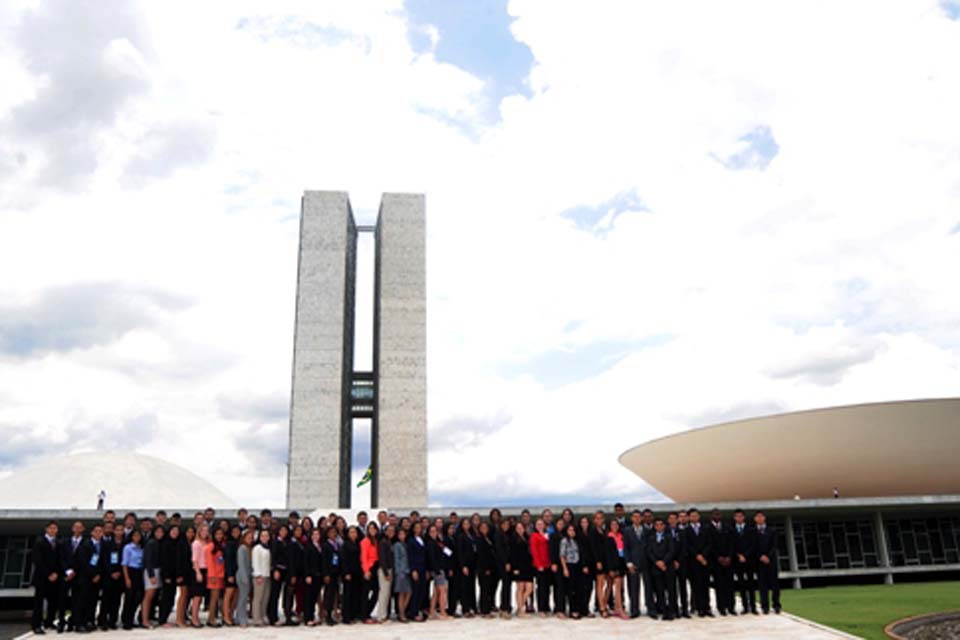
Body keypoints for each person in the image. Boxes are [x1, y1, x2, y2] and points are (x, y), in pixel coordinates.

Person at [31, 521, 60, 634]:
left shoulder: (57, 542)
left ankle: (49, 621)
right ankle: (36, 624)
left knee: (53, 601)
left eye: (55, 528)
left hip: (54, 577)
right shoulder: (39, 541)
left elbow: (59, 560)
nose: (53, 530)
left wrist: (56, 573)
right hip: (42, 577)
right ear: (46, 529)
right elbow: (37, 560)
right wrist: (49, 574)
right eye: (51, 528)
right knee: (39, 602)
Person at [646, 518, 676, 620]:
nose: (659, 526)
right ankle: (663, 610)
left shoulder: (669, 537)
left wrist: (664, 562)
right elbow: (649, 552)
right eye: (657, 525)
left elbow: (671, 551)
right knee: (660, 591)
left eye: (661, 524)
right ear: (655, 527)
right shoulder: (651, 538)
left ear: (664, 526)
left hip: (668, 567)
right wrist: (657, 562)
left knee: (671, 590)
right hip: (656, 568)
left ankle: (671, 611)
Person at [708, 509, 735, 615]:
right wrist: (718, 557)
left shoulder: (728, 527)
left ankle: (731, 607)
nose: (717, 516)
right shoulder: (708, 528)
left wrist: (729, 556)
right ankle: (722, 607)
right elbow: (710, 545)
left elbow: (732, 543)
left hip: (728, 561)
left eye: (719, 514)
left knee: (729, 585)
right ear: (711, 516)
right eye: (715, 514)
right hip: (716, 562)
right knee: (719, 586)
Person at [685, 508, 712, 617]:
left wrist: (703, 556)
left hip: (705, 561)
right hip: (693, 561)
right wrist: (697, 555)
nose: (694, 517)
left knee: (706, 586)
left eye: (696, 515)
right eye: (692, 516)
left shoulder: (706, 528)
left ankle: (707, 608)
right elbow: (687, 545)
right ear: (689, 517)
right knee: (696, 586)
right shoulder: (686, 530)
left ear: (699, 516)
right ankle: (700, 608)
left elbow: (709, 543)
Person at [754, 511, 781, 614]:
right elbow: (753, 546)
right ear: (755, 519)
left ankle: (776, 605)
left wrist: (768, 556)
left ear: (764, 518)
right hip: (759, 562)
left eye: (761, 516)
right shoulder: (753, 531)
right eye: (758, 517)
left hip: (771, 561)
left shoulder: (772, 530)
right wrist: (760, 556)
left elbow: (775, 545)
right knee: (762, 585)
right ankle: (765, 606)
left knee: (775, 585)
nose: (760, 518)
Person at [99, 525, 124, 630]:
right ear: (114, 531)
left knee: (116, 600)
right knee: (106, 599)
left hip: (120, 575)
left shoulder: (125, 544)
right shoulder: (107, 544)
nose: (119, 532)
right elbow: (104, 560)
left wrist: (119, 572)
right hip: (108, 576)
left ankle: (112, 621)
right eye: (117, 530)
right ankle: (103, 620)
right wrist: (111, 572)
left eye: (121, 530)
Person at [732, 509, 757, 615]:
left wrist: (745, 555)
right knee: (741, 585)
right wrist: (739, 555)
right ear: (734, 518)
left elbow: (753, 544)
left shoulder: (751, 529)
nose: (739, 518)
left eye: (740, 516)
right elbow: (731, 545)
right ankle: (745, 607)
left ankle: (753, 606)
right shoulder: (731, 530)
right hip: (737, 560)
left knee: (751, 584)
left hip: (749, 560)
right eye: (737, 516)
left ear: (744, 517)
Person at [667, 512, 691, 619]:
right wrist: (672, 560)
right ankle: (674, 610)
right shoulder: (665, 532)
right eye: (670, 518)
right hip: (669, 564)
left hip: (682, 563)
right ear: (668, 520)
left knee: (683, 587)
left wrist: (678, 561)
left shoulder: (682, 532)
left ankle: (685, 609)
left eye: (674, 518)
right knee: (671, 588)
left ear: (677, 520)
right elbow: (665, 548)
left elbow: (684, 548)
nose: (672, 520)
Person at [624, 509, 646, 619]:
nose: (637, 518)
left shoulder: (647, 530)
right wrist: (629, 563)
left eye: (639, 516)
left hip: (646, 563)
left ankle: (651, 609)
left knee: (648, 587)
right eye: (635, 516)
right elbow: (626, 548)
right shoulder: (627, 530)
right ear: (632, 518)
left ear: (641, 518)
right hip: (633, 563)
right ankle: (634, 610)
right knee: (633, 588)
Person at [141, 525, 165, 628]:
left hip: (158, 570)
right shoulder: (151, 543)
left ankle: (148, 618)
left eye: (161, 532)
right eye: (157, 532)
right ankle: (145, 621)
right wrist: (151, 575)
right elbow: (147, 560)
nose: (159, 534)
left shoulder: (159, 543)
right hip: (151, 571)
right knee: (148, 596)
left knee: (153, 596)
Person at [120, 529, 144, 630]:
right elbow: (124, 564)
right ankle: (126, 620)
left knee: (138, 597)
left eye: (138, 536)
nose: (137, 537)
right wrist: (127, 578)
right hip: (130, 572)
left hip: (139, 572)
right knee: (129, 597)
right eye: (135, 536)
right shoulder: (127, 548)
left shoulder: (141, 548)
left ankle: (131, 617)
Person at [604, 519, 628, 619]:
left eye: (616, 524)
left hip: (621, 562)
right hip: (612, 563)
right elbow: (607, 554)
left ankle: (616, 607)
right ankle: (608, 606)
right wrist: (610, 568)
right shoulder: (608, 537)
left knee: (618, 585)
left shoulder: (621, 536)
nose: (614, 526)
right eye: (612, 524)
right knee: (610, 586)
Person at [558, 523, 582, 620]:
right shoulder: (564, 541)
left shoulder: (576, 541)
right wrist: (565, 568)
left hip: (577, 565)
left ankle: (576, 608)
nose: (571, 532)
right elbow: (562, 555)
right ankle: (571, 610)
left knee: (577, 589)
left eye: (573, 530)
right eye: (569, 530)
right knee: (570, 589)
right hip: (569, 565)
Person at [510, 522, 533, 618]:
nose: (520, 529)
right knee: (520, 588)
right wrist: (514, 567)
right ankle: (520, 610)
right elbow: (512, 554)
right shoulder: (513, 539)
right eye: (518, 527)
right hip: (518, 567)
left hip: (528, 566)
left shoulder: (527, 538)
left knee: (529, 588)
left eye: (521, 527)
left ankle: (519, 607)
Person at [189, 523, 211, 628]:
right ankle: (194, 619)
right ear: (199, 531)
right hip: (199, 570)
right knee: (196, 597)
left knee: (201, 596)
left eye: (206, 531)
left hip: (207, 569)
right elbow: (194, 559)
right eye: (203, 530)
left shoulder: (207, 542)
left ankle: (197, 617)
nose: (204, 532)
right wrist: (198, 572)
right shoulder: (196, 543)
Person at [266, 525, 288, 626]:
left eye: (285, 530)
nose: (284, 532)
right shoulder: (275, 542)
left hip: (284, 570)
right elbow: (273, 556)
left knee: (278, 594)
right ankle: (272, 617)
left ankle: (274, 615)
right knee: (274, 594)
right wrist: (275, 569)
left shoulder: (285, 542)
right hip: (277, 570)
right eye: (282, 530)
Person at [406, 521, 428, 622]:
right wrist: (413, 570)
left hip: (423, 568)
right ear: (413, 529)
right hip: (416, 568)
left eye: (420, 527)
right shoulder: (411, 541)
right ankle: (412, 613)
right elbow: (410, 556)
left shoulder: (422, 539)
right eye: (416, 527)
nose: (418, 529)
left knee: (422, 591)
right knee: (415, 591)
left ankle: (417, 610)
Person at [425, 525, 448, 620]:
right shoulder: (430, 543)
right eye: (431, 531)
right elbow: (432, 558)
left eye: (435, 531)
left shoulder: (437, 542)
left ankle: (431, 611)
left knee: (436, 592)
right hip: (437, 570)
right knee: (443, 591)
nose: (434, 533)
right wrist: (437, 570)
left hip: (439, 569)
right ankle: (443, 612)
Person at [341, 526, 362, 624]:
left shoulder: (358, 544)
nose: (353, 534)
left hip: (357, 573)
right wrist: (346, 573)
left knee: (355, 594)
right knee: (347, 595)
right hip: (349, 573)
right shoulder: (345, 545)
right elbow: (344, 560)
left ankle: (353, 615)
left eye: (354, 532)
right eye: (351, 532)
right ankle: (346, 617)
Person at [456, 518, 478, 617]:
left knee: (471, 586)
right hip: (465, 565)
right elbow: (460, 552)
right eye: (464, 523)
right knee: (464, 587)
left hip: (473, 564)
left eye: (468, 523)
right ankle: (465, 609)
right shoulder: (461, 537)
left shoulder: (472, 535)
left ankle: (472, 606)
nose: (466, 525)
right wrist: (463, 565)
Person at [205, 527, 226, 627]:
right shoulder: (211, 546)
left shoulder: (221, 545)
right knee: (214, 598)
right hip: (214, 576)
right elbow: (210, 563)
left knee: (217, 598)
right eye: (217, 534)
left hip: (221, 575)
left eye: (221, 534)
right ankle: (211, 619)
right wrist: (212, 575)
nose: (219, 536)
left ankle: (212, 617)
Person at [158, 525, 179, 626]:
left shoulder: (177, 544)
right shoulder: (166, 544)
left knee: (171, 598)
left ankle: (165, 618)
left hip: (174, 576)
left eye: (176, 531)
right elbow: (164, 561)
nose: (175, 533)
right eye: (173, 530)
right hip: (167, 576)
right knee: (166, 598)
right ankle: (162, 620)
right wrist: (166, 576)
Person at [173, 526, 194, 628]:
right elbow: (178, 560)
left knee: (186, 596)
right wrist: (179, 574)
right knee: (183, 596)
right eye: (188, 532)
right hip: (182, 574)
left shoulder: (191, 543)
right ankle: (178, 619)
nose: (190, 534)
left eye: (192, 532)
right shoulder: (181, 544)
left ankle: (182, 618)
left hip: (189, 573)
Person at [360, 523, 380, 623]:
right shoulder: (365, 541)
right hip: (369, 568)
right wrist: (366, 571)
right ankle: (364, 615)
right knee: (366, 593)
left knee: (376, 592)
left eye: (374, 528)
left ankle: (368, 612)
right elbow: (363, 557)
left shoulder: (376, 541)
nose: (372, 530)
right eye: (370, 528)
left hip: (376, 567)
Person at [530, 519, 551, 616]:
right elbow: (534, 551)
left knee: (547, 587)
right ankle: (541, 608)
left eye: (541, 524)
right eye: (538, 524)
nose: (540, 525)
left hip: (548, 565)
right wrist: (539, 565)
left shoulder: (547, 534)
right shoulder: (534, 536)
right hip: (540, 565)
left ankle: (546, 606)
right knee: (541, 587)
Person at [476, 521, 497, 617]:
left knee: (487, 589)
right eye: (482, 527)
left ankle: (486, 608)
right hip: (483, 569)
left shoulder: (488, 538)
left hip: (490, 568)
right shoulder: (479, 539)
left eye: (486, 527)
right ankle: (484, 611)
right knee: (484, 589)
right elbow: (481, 556)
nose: (484, 529)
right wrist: (486, 568)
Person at [321, 526, 340, 626]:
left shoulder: (336, 544)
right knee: (328, 594)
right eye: (331, 532)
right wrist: (326, 574)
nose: (333, 534)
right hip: (329, 573)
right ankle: (327, 614)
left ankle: (331, 613)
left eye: (334, 532)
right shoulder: (326, 545)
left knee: (333, 595)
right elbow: (324, 561)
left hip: (335, 572)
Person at [493, 518, 513, 619]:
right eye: (504, 524)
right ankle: (504, 608)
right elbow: (499, 550)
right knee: (505, 585)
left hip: (507, 563)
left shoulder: (507, 534)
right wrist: (506, 562)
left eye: (508, 524)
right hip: (502, 564)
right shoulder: (498, 535)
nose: (506, 526)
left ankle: (506, 606)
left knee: (507, 585)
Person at [303, 528, 323, 626]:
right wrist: (307, 575)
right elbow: (305, 562)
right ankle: (308, 618)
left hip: (318, 576)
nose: (316, 536)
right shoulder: (308, 546)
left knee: (315, 597)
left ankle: (312, 616)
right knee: (308, 598)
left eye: (317, 534)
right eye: (314, 534)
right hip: (310, 575)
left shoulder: (320, 546)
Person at [376, 525, 395, 622]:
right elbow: (382, 559)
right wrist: (386, 573)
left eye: (393, 530)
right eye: (389, 530)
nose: (391, 532)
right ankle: (380, 616)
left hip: (389, 570)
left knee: (387, 594)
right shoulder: (383, 542)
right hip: (385, 570)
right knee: (383, 593)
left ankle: (383, 615)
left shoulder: (389, 542)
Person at [234, 528, 253, 626]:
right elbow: (241, 564)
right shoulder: (242, 548)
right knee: (243, 598)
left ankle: (239, 617)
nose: (250, 539)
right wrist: (244, 577)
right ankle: (241, 619)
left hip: (247, 575)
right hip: (242, 576)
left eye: (251, 538)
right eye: (248, 537)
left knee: (244, 598)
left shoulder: (248, 548)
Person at [392, 527, 411, 623]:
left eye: (403, 534)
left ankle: (402, 611)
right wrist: (399, 572)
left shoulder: (406, 545)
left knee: (408, 592)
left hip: (408, 571)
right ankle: (401, 614)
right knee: (401, 593)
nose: (402, 536)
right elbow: (396, 560)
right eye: (400, 534)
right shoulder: (397, 545)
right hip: (401, 572)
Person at [223, 525, 240, 626]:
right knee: (228, 595)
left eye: (237, 531)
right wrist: (229, 574)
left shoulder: (239, 543)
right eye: (234, 531)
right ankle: (226, 616)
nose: (236, 533)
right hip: (231, 573)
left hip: (238, 573)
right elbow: (228, 560)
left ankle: (230, 614)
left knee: (236, 595)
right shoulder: (229, 544)